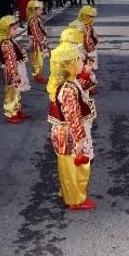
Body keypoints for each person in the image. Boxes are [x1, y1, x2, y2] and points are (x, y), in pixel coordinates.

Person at [47, 41, 97, 210]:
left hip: (67, 133)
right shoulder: (68, 88)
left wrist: (86, 75)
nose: (83, 63)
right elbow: (73, 116)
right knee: (72, 166)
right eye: (79, 60)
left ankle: (70, 193)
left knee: (71, 165)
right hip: (69, 134)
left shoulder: (70, 82)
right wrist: (80, 137)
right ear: (70, 64)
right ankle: (74, 199)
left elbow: (81, 90)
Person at [0, 15, 30, 123]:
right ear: (6, 30)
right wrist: (14, 74)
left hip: (16, 70)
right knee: (11, 93)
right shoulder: (7, 43)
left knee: (17, 92)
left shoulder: (10, 41)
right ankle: (10, 113)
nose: (16, 30)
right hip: (12, 72)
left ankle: (16, 109)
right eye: (14, 29)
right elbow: (10, 60)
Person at [26, 0, 49, 83]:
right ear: (34, 10)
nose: (41, 11)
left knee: (38, 59)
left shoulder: (36, 19)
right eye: (39, 10)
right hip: (36, 43)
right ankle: (37, 76)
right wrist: (42, 42)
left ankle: (38, 75)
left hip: (37, 42)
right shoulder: (34, 20)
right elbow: (36, 33)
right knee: (37, 60)